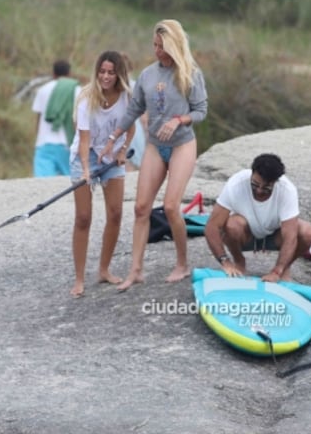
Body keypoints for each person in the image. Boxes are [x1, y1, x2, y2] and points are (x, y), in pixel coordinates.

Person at [100, 19, 208, 290]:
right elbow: (134, 109)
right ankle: (136, 270)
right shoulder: (148, 75)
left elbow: (201, 111)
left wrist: (179, 120)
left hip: (182, 144)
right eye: (155, 45)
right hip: (154, 146)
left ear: (174, 45)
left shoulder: (191, 73)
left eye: (161, 46)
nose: (157, 50)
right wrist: (113, 138)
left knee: (171, 206)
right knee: (140, 208)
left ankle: (182, 264)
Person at [69, 51, 135, 297]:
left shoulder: (127, 97)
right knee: (83, 217)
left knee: (116, 213)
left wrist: (123, 152)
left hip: (112, 158)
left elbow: (131, 127)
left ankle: (104, 270)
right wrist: (86, 170)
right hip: (84, 158)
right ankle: (78, 279)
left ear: (119, 74)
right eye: (102, 71)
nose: (106, 76)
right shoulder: (87, 97)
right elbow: (84, 139)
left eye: (111, 72)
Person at [204, 153, 311, 282]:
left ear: (276, 182)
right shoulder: (236, 183)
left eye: (266, 188)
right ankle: (239, 260)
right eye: (255, 185)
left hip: (275, 235)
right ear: (251, 173)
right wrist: (225, 261)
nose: (259, 191)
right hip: (245, 235)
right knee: (231, 225)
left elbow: (290, 237)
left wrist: (276, 271)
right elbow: (212, 227)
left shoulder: (287, 190)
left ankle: (284, 268)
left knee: (307, 232)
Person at [31, 59, 80, 177]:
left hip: (44, 145)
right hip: (67, 144)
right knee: (71, 184)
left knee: (43, 185)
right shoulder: (76, 90)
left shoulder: (42, 90)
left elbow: (39, 119)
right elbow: (79, 120)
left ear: (53, 74)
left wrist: (38, 139)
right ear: (69, 74)